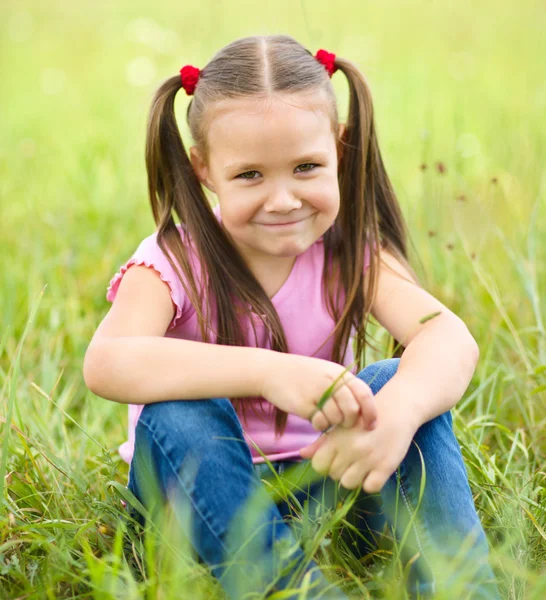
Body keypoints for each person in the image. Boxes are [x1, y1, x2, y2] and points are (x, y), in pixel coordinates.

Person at [83, 34, 500, 599]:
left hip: (328, 477)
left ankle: (465, 588)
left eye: (306, 166)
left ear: (340, 148)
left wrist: (400, 412)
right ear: (204, 168)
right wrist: (267, 372)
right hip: (190, 503)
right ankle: (294, 589)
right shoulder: (173, 259)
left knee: (398, 381)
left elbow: (448, 337)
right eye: (250, 175)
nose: (283, 199)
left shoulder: (351, 252)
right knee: (180, 409)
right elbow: (107, 363)